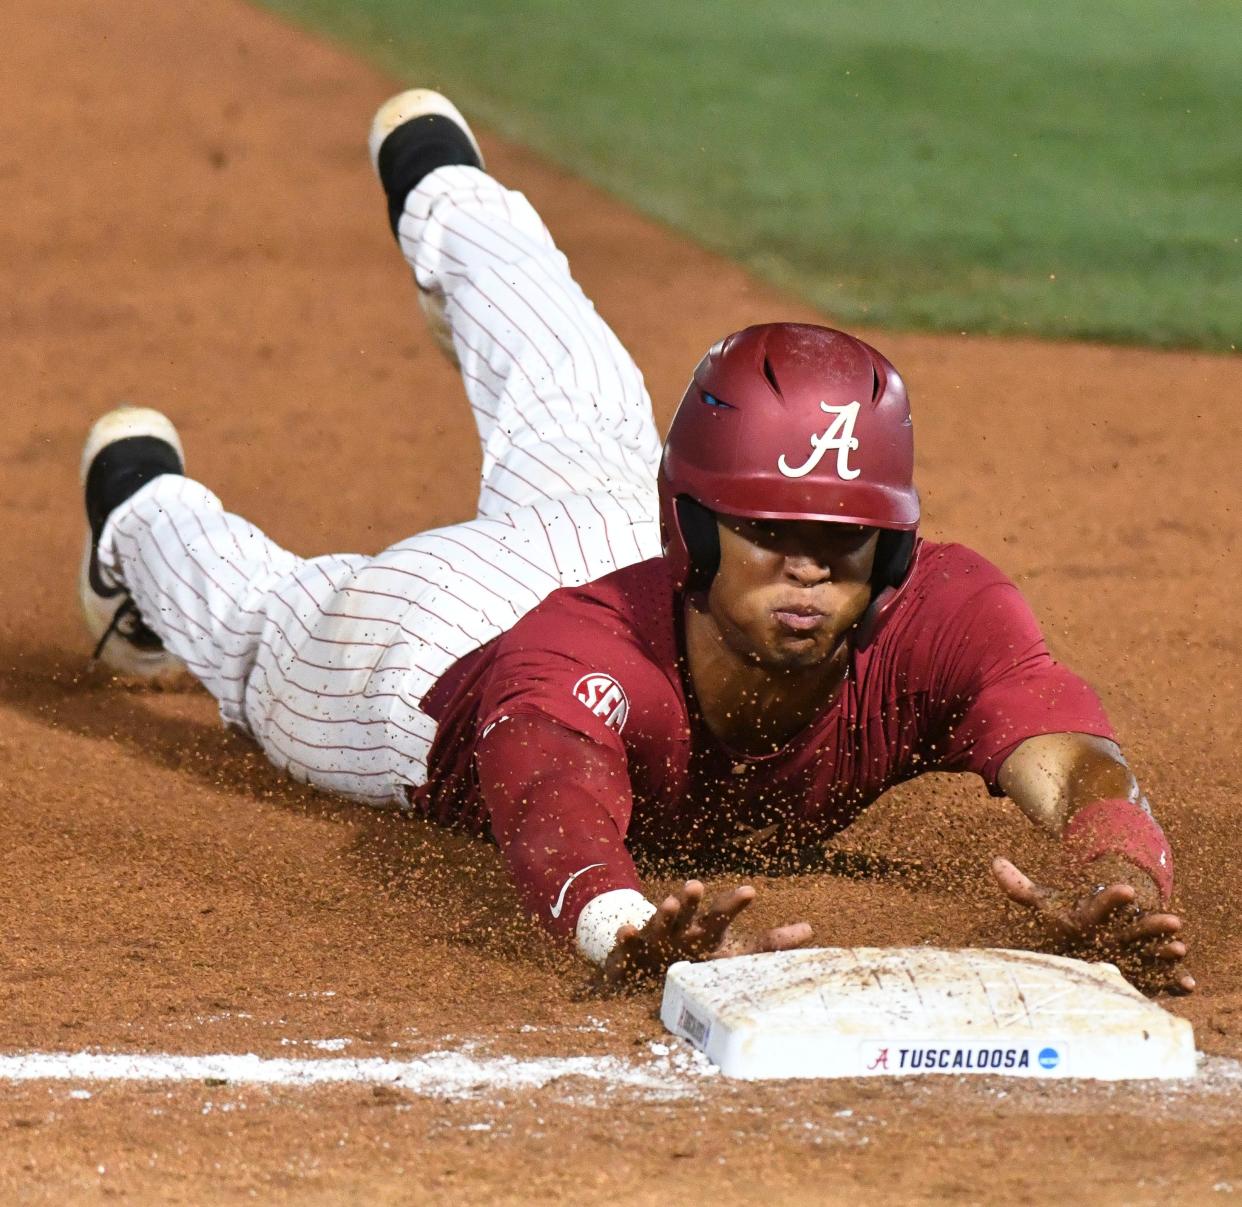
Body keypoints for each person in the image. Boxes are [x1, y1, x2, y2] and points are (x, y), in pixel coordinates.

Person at [78, 90, 1192, 992]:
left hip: (625, 528)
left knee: (578, 394)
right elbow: (549, 795)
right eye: (768, 530)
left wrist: (1120, 878)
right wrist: (619, 923)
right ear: (699, 527)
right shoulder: (569, 656)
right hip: (440, 649)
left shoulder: (943, 617)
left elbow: (1080, 760)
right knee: (281, 627)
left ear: (892, 554)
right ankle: (137, 507)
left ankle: (443, 183)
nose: (807, 565)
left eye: (842, 538)